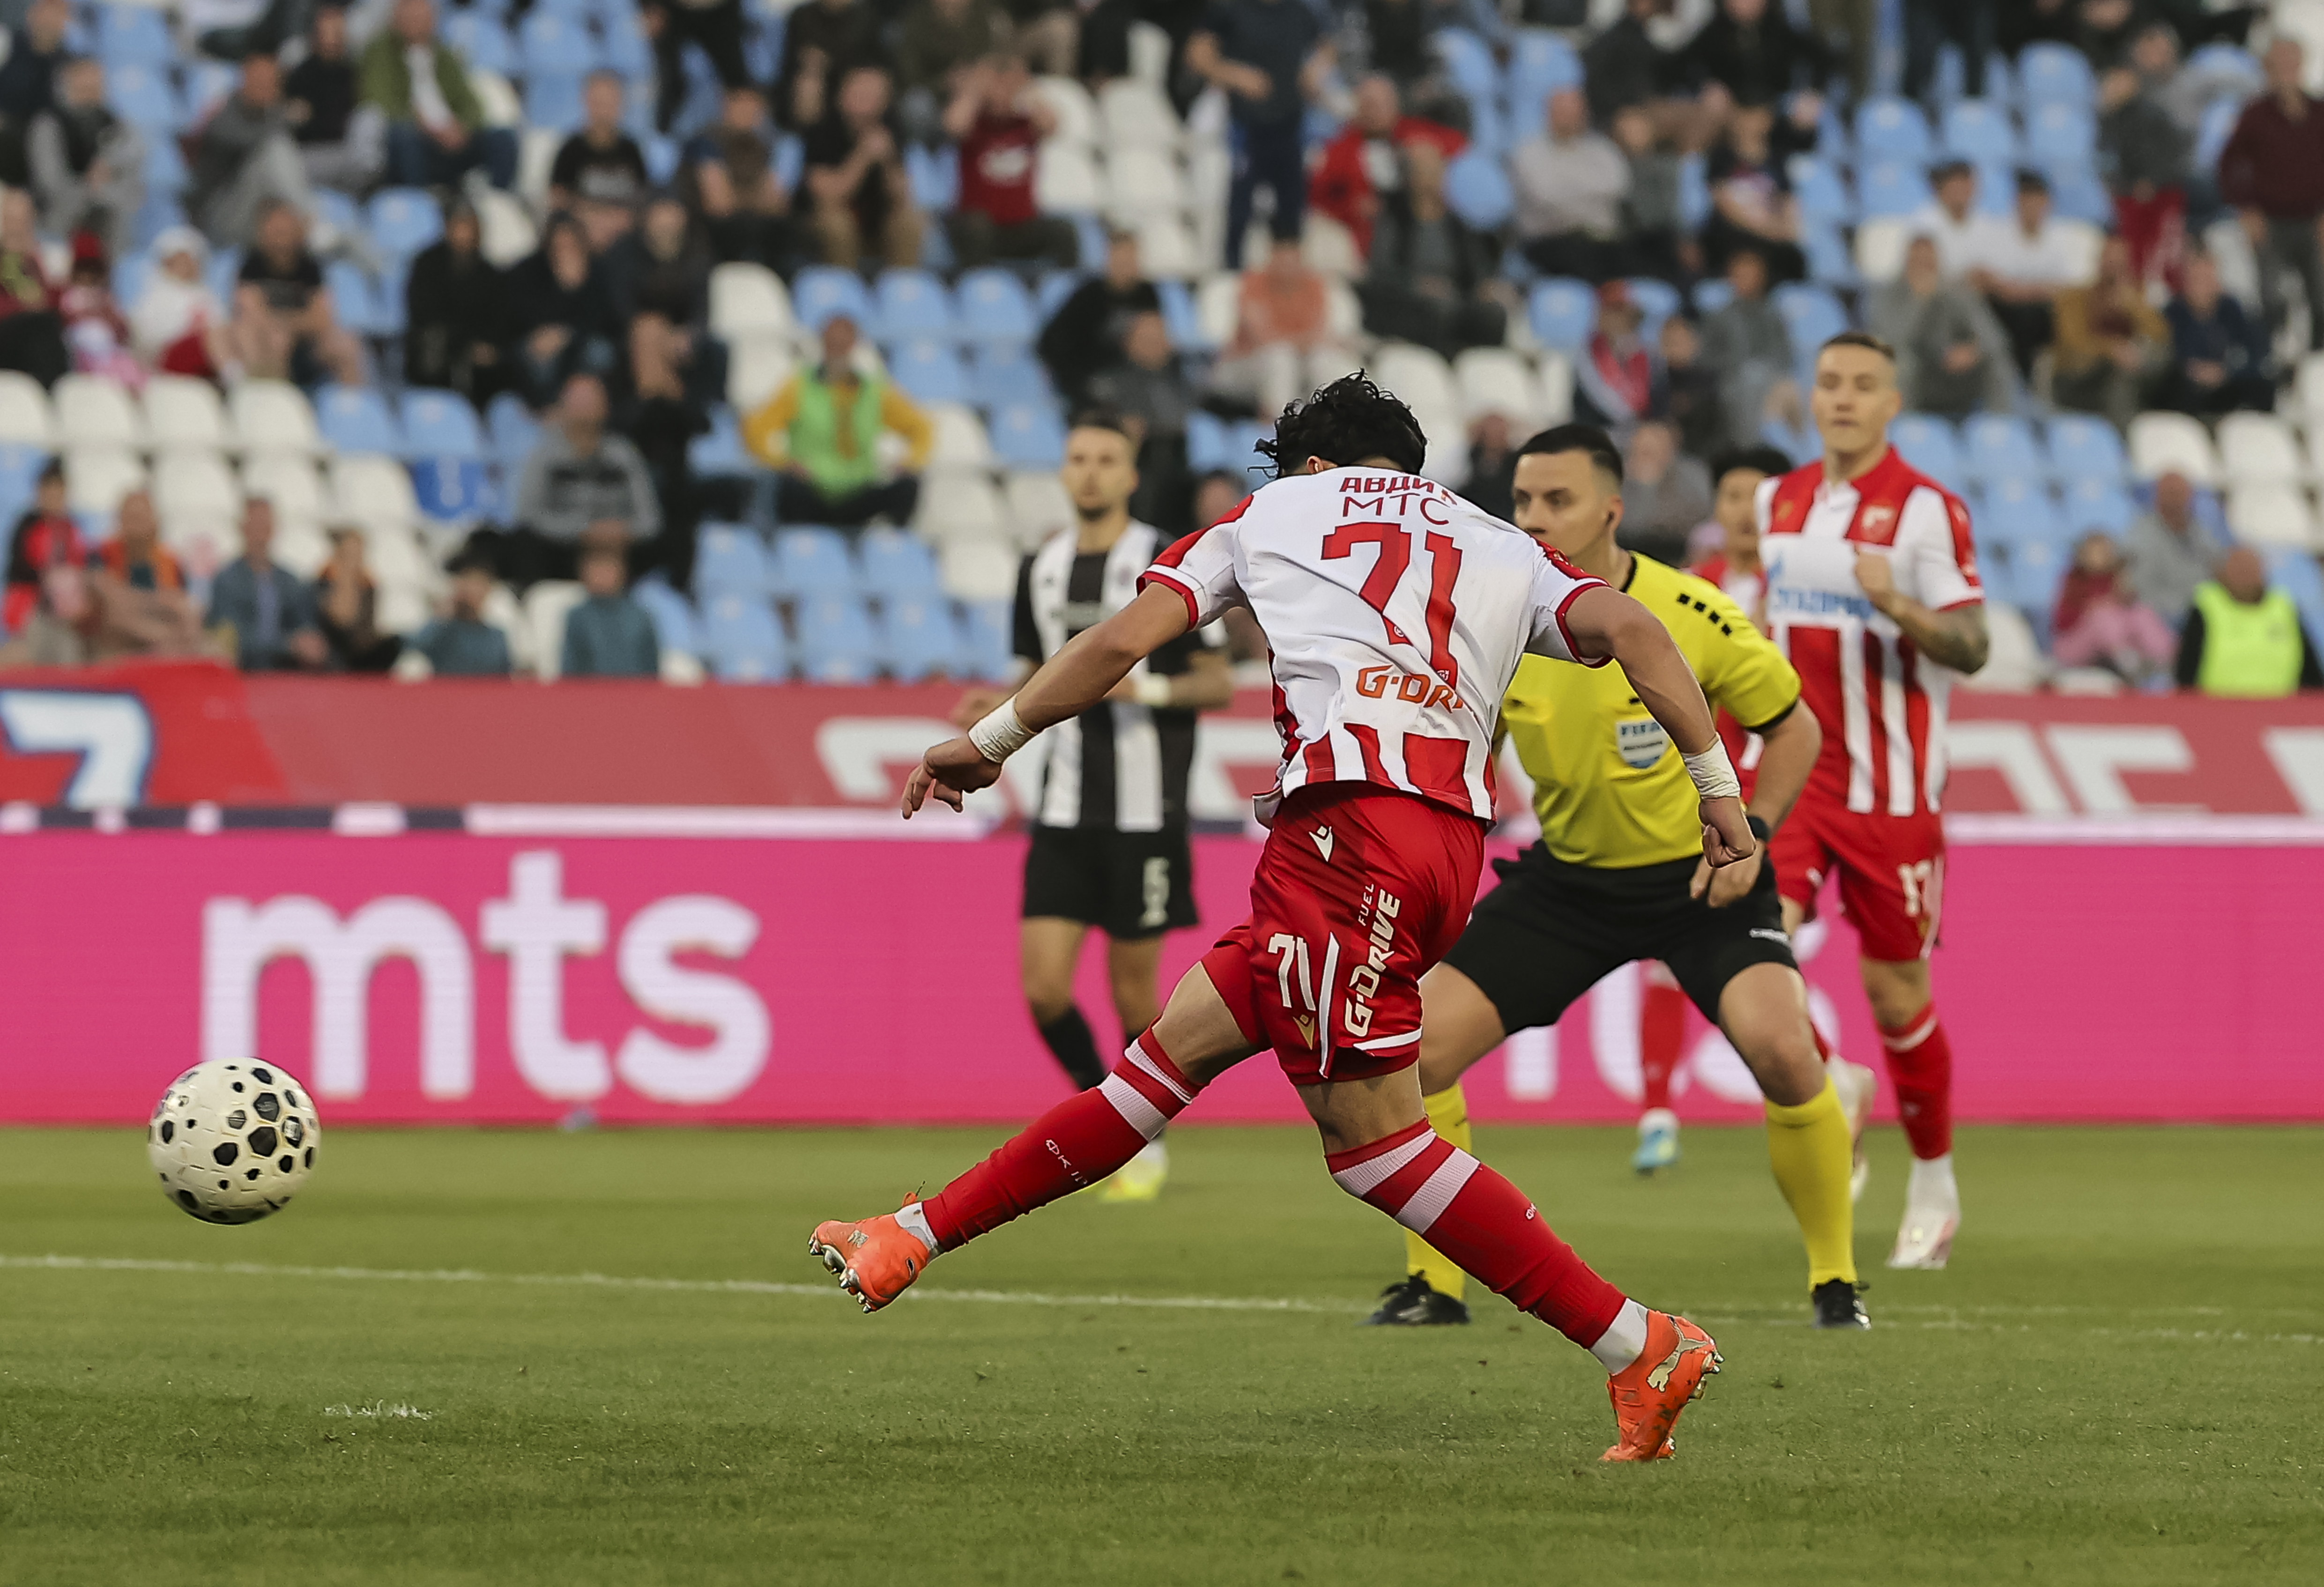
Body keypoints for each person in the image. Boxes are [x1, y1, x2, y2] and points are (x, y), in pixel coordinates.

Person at [812, 375, 1749, 1464]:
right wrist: (1715, 790)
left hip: (1350, 839)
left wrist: (989, 739)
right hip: (1438, 847)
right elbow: (1633, 629)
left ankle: (1637, 1344)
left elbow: (1124, 641)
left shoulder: (1272, 515)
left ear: (1311, 464)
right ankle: (909, 1237)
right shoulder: (1496, 540)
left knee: (1373, 1149)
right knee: (1156, 1068)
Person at [1358, 421, 1864, 1331]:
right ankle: (1433, 1287)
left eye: (1556, 500)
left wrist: (1750, 832)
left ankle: (1835, 1283)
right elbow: (1462, 760)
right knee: (1413, 1050)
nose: (1534, 517)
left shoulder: (1692, 613)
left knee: (1785, 1051)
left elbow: (1795, 728)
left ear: (1610, 510)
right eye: (1520, 501)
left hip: (1699, 884)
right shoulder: (1496, 625)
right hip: (1570, 887)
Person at [944, 414, 1233, 1201]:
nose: (1092, 472)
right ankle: (1103, 1111)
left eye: (1108, 459)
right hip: (1063, 810)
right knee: (1043, 987)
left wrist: (1154, 686)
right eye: (1079, 459)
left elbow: (1218, 682)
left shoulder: (1163, 559)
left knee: (1136, 997)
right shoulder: (1039, 566)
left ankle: (1140, 1132)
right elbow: (1035, 675)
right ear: (1064, 472)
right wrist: (992, 705)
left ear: (1131, 474)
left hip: (1144, 816)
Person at [1759, 331, 1990, 1271]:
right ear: (1809, 398)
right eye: (1828, 383)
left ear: (1891, 402)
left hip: (1891, 795)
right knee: (1751, 946)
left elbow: (1971, 646)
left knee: (1897, 996)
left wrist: (1894, 603)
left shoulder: (1928, 512)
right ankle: (1832, 1077)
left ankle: (1932, 1179)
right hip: (1794, 776)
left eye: (1862, 385)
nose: (1842, 398)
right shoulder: (1784, 499)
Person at [742, 314, 933, 529]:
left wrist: (910, 461)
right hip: (813, 489)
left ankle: (888, 547)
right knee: (788, 488)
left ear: (854, 347)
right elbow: (756, 428)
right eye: (832, 344)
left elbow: (922, 427)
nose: (837, 352)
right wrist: (783, 462)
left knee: (907, 486)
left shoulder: (874, 392)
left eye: (843, 345)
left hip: (859, 488)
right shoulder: (799, 388)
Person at [1188, 0, 1332, 265]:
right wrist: (1236, 75)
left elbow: (1328, 44)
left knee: (1291, 217)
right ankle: (1232, 274)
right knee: (1240, 213)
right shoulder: (1231, 10)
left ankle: (1289, 283)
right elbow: (1198, 55)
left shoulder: (1299, 12)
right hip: (1247, 128)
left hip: (1290, 126)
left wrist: (1315, 70)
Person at [2217, 37, 2324, 352]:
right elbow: (2229, 164)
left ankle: (2317, 364)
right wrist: (2246, 209)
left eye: (2292, 61)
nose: (2287, 70)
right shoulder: (2255, 114)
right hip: (2271, 220)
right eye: (2280, 63)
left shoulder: (2319, 113)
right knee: (2272, 297)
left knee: (2320, 294)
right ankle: (2273, 358)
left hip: (2314, 219)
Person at [1355, 141, 1506, 359]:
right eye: (1425, 173)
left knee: (1493, 315)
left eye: (1437, 172)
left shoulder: (1456, 224)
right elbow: (1381, 271)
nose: (1432, 180)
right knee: (1439, 310)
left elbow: (1477, 269)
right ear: (1411, 178)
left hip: (1456, 295)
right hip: (1411, 299)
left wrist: (1485, 286)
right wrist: (1418, 285)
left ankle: (1485, 375)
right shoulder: (1397, 221)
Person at [507, 373, 662, 585]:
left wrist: (621, 532)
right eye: (579, 402)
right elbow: (529, 515)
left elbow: (650, 519)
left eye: (591, 402)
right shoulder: (544, 456)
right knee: (524, 543)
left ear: (606, 407)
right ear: (562, 407)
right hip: (564, 548)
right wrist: (583, 531)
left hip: (620, 547)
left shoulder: (624, 454)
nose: (585, 411)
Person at [359, 0, 518, 192]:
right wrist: (428, 128)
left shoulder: (444, 55)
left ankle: (497, 201)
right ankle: (421, 202)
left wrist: (461, 127)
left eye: (422, 18)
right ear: (396, 20)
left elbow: (471, 103)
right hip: (415, 138)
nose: (417, 24)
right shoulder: (379, 52)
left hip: (453, 135)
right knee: (404, 137)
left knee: (503, 138)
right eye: (411, 18)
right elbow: (379, 102)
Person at [943, 53, 1079, 270]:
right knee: (975, 229)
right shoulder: (975, 124)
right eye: (997, 86)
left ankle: (1065, 288)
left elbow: (1052, 125)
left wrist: (1029, 88)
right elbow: (953, 125)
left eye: (1009, 87)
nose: (1002, 94)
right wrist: (976, 89)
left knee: (1064, 231)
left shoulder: (1026, 124)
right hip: (981, 226)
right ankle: (983, 289)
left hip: (1021, 226)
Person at [1307, 74, 1465, 260]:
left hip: (1420, 227)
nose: (1376, 112)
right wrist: (1350, 207)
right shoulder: (1341, 149)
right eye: (1369, 105)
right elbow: (1317, 195)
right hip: (1367, 240)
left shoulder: (1415, 132)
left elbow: (1461, 148)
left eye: (1382, 105)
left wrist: (1424, 154)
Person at [1207, 238, 1356, 423]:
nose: (1287, 266)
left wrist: (1291, 339)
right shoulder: (1254, 284)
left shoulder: (1313, 286)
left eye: (1292, 259)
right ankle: (1281, 428)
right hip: (1242, 364)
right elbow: (1261, 338)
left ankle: (1336, 424)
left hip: (1296, 362)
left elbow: (1320, 335)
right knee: (1280, 358)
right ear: (1272, 258)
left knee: (1323, 360)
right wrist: (1300, 340)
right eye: (1281, 258)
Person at [1867, 234, 2015, 419]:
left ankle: (1999, 431)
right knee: (1903, 365)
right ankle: (1905, 429)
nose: (1924, 270)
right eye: (1917, 263)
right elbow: (1892, 343)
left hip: (1955, 375)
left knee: (1998, 363)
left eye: (1929, 263)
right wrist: (1919, 302)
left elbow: (1995, 338)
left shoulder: (1957, 292)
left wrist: (1973, 352)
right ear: (1906, 263)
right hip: (1919, 377)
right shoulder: (1889, 295)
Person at [1962, 171, 2085, 377]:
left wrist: (2022, 290)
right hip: (2003, 312)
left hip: (2040, 313)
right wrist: (2011, 290)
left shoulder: (2058, 240)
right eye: (2027, 201)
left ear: (2048, 204)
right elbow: (1979, 276)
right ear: (2017, 202)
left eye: (2038, 202)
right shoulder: (1997, 234)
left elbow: (2066, 287)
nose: (2033, 208)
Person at [186, 52, 312, 250]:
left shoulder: (272, 117)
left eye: (272, 83)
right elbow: (245, 140)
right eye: (258, 81)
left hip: (255, 214)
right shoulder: (223, 114)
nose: (266, 89)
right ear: (243, 82)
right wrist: (287, 118)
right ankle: (310, 222)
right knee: (275, 149)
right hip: (217, 221)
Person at [236, 197, 366, 387]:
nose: (281, 236)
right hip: (269, 340)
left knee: (346, 345)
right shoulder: (251, 266)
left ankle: (349, 409)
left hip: (308, 341)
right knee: (274, 339)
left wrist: (287, 324)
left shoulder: (310, 267)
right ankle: (277, 403)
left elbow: (321, 318)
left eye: (286, 228)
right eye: (275, 229)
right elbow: (251, 312)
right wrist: (287, 326)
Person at [802, 66, 922, 270]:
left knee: (911, 221)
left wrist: (888, 162)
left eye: (873, 96)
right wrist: (862, 157)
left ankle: (901, 293)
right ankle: (846, 290)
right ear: (842, 96)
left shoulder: (892, 129)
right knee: (837, 224)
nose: (865, 103)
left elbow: (902, 196)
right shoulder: (823, 130)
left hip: (877, 221)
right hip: (827, 220)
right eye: (859, 94)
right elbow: (826, 195)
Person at [1087, 311, 1198, 531]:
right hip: (1142, 468)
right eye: (1147, 339)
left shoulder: (1182, 383)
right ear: (1128, 343)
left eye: (1161, 337)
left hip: (1181, 469)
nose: (1156, 344)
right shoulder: (1111, 384)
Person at [27, 56, 143, 262]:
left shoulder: (117, 126)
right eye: (84, 90)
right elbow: (50, 182)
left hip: (108, 223)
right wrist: (90, 188)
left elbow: (131, 180)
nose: (91, 97)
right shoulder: (49, 125)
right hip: (62, 219)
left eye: (95, 89)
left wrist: (103, 185)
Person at [1509, 88, 1630, 282]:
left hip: (1604, 241)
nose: (1568, 119)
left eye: (1574, 113)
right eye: (1562, 113)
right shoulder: (1528, 153)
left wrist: (1568, 191)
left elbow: (1616, 189)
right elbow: (1545, 197)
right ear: (1548, 114)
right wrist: (1590, 196)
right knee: (1580, 262)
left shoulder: (1604, 150)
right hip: (1551, 242)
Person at [2050, 233, 2168, 431]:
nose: (2114, 266)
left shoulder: (2133, 299)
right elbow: (2072, 346)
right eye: (2110, 260)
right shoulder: (2073, 299)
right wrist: (2110, 349)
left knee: (2160, 358)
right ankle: (2123, 440)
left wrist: (2132, 307)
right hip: (2077, 379)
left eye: (2120, 262)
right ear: (2099, 261)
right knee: (2119, 375)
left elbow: (2160, 335)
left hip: (2126, 378)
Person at [2173, 546, 2324, 697]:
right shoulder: (2206, 607)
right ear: (2224, 573)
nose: (2245, 576)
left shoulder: (2284, 607)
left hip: (2280, 709)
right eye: (2238, 570)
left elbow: (2310, 670)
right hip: (2218, 709)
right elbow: (2187, 670)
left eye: (2250, 570)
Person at [505, 212, 620, 409]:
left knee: (599, 354)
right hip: (536, 340)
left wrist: (574, 291)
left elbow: (605, 319)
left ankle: (586, 410)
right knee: (539, 358)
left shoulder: (598, 272)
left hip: (581, 340)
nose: (565, 249)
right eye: (559, 244)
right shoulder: (529, 271)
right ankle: (544, 410)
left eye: (571, 243)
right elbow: (520, 315)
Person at [1037, 228, 1159, 406]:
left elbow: (1156, 343)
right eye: (1120, 259)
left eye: (1130, 258)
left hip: (1135, 380)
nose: (1125, 265)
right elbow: (1052, 341)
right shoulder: (1088, 296)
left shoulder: (1148, 295)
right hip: (1090, 381)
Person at [402, 196, 507, 401]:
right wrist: (463, 342)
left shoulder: (490, 274)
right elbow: (423, 312)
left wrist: (484, 346)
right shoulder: (428, 264)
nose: (463, 233)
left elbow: (497, 318)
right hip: (437, 348)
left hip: (476, 351)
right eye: (458, 224)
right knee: (433, 344)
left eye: (468, 226)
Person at [682, 85, 794, 270]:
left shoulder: (765, 146)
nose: (748, 113)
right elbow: (719, 205)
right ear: (726, 107)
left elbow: (778, 204)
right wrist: (756, 199)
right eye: (741, 105)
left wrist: (741, 198)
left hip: (752, 232)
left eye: (754, 108)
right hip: (706, 236)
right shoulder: (705, 143)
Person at [205, 498, 325, 671]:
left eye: (265, 526)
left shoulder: (289, 581)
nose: (261, 534)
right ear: (243, 528)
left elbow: (305, 624)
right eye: (255, 526)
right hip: (245, 670)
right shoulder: (227, 581)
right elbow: (230, 637)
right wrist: (287, 645)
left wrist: (308, 642)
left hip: (286, 670)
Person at [2153, 248, 2274, 416]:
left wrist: (2228, 370)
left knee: (2262, 386)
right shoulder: (2172, 314)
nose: (2203, 287)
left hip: (2226, 382)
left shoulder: (2232, 310)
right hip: (2186, 386)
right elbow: (2163, 355)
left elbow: (2258, 350)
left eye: (2207, 279)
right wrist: (2191, 369)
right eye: (2197, 280)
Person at [90, 490, 208, 658]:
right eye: (131, 518)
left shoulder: (171, 563)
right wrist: (156, 603)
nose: (136, 526)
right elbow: (111, 605)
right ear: (120, 521)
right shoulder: (101, 556)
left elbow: (179, 605)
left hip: (163, 635)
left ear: (155, 522)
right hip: (119, 641)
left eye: (140, 518)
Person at [1699, 247, 1793, 457]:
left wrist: (1770, 374)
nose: (1745, 281)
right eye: (1740, 276)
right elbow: (1706, 358)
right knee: (1750, 379)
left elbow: (1784, 354)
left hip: (1772, 380)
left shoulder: (1774, 314)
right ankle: (1751, 451)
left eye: (1751, 275)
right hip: (1733, 383)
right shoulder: (1719, 317)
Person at [2049, 531, 2176, 684]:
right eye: (2095, 552)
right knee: (2102, 616)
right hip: (2073, 648)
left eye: (2105, 552)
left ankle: (2164, 660)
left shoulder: (2117, 580)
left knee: (2141, 613)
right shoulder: (2073, 582)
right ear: (2082, 556)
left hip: (2113, 646)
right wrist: (2089, 607)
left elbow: (2131, 615)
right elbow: (2062, 623)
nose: (2101, 556)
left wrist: (2121, 591)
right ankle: (2129, 663)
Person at [285, 4, 384, 195]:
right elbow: (301, 125)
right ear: (314, 36)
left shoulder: (354, 73)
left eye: (337, 33)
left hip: (346, 152)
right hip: (310, 155)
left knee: (370, 119)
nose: (332, 40)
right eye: (326, 33)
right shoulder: (300, 75)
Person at [549, 73, 651, 252]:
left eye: (610, 102)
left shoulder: (631, 150)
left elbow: (643, 198)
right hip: (583, 238)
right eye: (598, 102)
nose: (604, 109)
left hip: (626, 239)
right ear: (586, 103)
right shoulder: (570, 150)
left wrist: (622, 220)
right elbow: (558, 198)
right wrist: (593, 218)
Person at [1692, 444, 1793, 618]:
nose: (1746, 511)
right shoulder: (1691, 585)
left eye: (1758, 497)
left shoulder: (1794, 591)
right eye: (1734, 497)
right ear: (1716, 507)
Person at [895, 0, 1011, 144]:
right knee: (916, 106)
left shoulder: (989, 15)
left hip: (982, 87)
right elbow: (909, 76)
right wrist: (945, 82)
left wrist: (972, 88)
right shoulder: (916, 21)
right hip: (936, 95)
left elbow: (1004, 60)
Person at [128, 226, 235, 379]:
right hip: (169, 361)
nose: (187, 265)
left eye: (191, 260)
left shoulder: (207, 296)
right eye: (181, 260)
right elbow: (147, 341)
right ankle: (233, 380)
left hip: (207, 359)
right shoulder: (155, 296)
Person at [2124, 469, 2226, 628]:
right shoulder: (2141, 534)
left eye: (2181, 493)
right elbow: (2142, 589)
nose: (2176, 499)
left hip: (2204, 611)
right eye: (2170, 493)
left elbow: (2218, 566)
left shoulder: (2200, 530)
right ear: (2157, 496)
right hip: (2165, 616)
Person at [641, 0, 754, 136]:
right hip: (671, 8)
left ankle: (742, 145)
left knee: (739, 84)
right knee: (670, 84)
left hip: (721, 9)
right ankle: (663, 139)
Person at [775, 0, 886, 133]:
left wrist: (825, 63)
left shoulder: (866, 17)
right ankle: (806, 137)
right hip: (810, 92)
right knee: (809, 84)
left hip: (852, 88)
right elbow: (788, 66)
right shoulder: (802, 17)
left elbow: (874, 67)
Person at [1615, 419, 1710, 568]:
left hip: (1677, 556)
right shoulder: (1617, 477)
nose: (1649, 452)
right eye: (1644, 449)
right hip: (1624, 553)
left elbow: (1701, 514)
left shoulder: (1691, 476)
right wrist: (1644, 484)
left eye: (1656, 445)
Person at [560, 541, 662, 678]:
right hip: (590, 695)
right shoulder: (577, 617)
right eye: (596, 569)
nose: (601, 576)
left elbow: (651, 669)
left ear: (622, 572)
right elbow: (570, 669)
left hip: (635, 694)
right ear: (584, 573)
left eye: (607, 569)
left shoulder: (641, 617)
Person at [3, 458, 82, 635]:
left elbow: (78, 564)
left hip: (65, 600)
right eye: (49, 492)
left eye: (58, 492)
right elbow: (20, 569)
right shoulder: (27, 525)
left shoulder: (71, 527)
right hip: (30, 598)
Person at [0, 186, 67, 387]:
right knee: (40, 326)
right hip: (9, 330)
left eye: (23, 219)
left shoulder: (42, 258)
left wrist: (30, 258)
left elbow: (56, 303)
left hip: (36, 332)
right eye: (12, 219)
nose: (18, 225)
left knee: (46, 329)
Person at [312, 525, 402, 672]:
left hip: (360, 653)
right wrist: (345, 579)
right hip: (332, 651)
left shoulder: (368, 586)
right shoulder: (324, 580)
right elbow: (339, 622)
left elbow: (367, 629)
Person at [1573, 280, 1659, 430]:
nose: (1618, 319)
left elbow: (1656, 402)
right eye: (1612, 312)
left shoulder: (1647, 355)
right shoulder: (1585, 354)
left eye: (1623, 312)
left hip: (1642, 433)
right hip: (1600, 432)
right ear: (1600, 315)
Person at [409, 551, 512, 676]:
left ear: (488, 589)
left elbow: (506, 678)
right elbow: (415, 647)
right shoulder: (443, 630)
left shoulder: (497, 637)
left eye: (478, 583)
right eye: (467, 581)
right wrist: (444, 613)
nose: (472, 590)